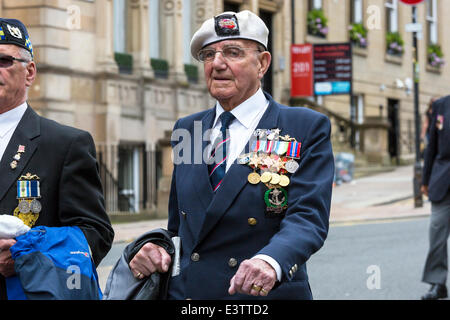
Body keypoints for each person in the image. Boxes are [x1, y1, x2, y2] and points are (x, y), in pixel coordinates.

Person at [129, 10, 334, 299]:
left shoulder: (304, 126)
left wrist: (270, 261)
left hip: (260, 294)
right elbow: (180, 226)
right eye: (209, 55)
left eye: (233, 52)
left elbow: (307, 217)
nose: (218, 64)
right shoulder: (188, 129)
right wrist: (154, 248)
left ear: (262, 63)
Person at [0, 18, 114, 299]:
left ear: (29, 72)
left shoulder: (64, 144)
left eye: (3, 60)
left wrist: (26, 256)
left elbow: (95, 234)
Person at [420, 95, 450, 300]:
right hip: (442, 179)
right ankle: (437, 283)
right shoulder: (441, 105)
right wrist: (426, 179)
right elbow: (432, 146)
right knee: (437, 233)